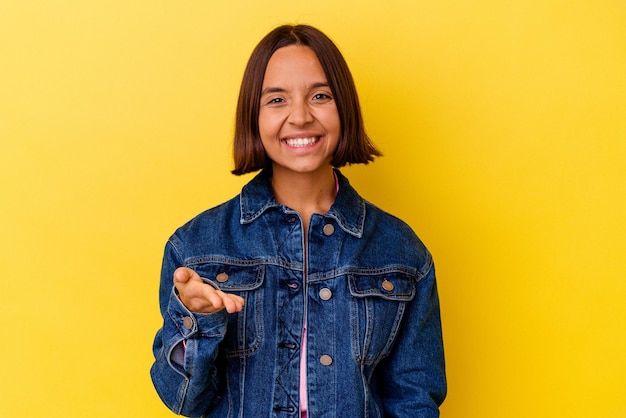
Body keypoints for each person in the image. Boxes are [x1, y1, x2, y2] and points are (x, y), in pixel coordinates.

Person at [151, 24, 446, 418]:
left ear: (344, 107)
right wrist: (201, 322)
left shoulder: (402, 251)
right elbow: (184, 400)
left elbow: (414, 401)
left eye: (320, 96)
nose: (301, 116)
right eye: (276, 100)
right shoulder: (196, 248)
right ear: (253, 116)